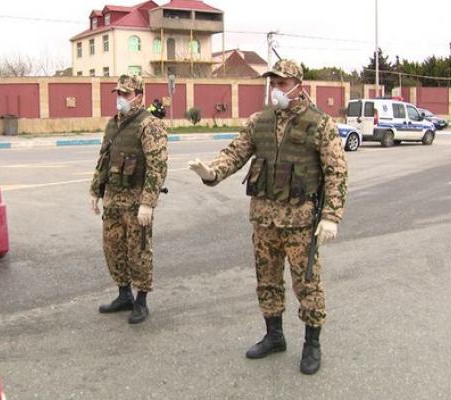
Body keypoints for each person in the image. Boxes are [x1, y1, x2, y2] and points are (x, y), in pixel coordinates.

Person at [188, 59, 348, 374]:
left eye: (282, 84)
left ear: (299, 86)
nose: (275, 89)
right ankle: (274, 335)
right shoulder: (258, 121)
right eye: (272, 84)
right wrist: (211, 172)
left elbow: (336, 172)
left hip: (301, 224)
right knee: (267, 282)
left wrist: (331, 216)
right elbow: (235, 153)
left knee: (307, 285)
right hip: (263, 222)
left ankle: (311, 343)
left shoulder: (319, 123)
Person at [89, 75, 169, 324]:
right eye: (118, 94)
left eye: (126, 94)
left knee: (139, 252)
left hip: (136, 203)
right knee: (113, 249)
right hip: (113, 201)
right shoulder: (113, 124)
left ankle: (141, 300)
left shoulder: (149, 125)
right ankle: (124, 294)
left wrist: (148, 202)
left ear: (139, 95)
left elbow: (157, 167)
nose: (121, 99)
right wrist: (95, 190)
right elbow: (104, 159)